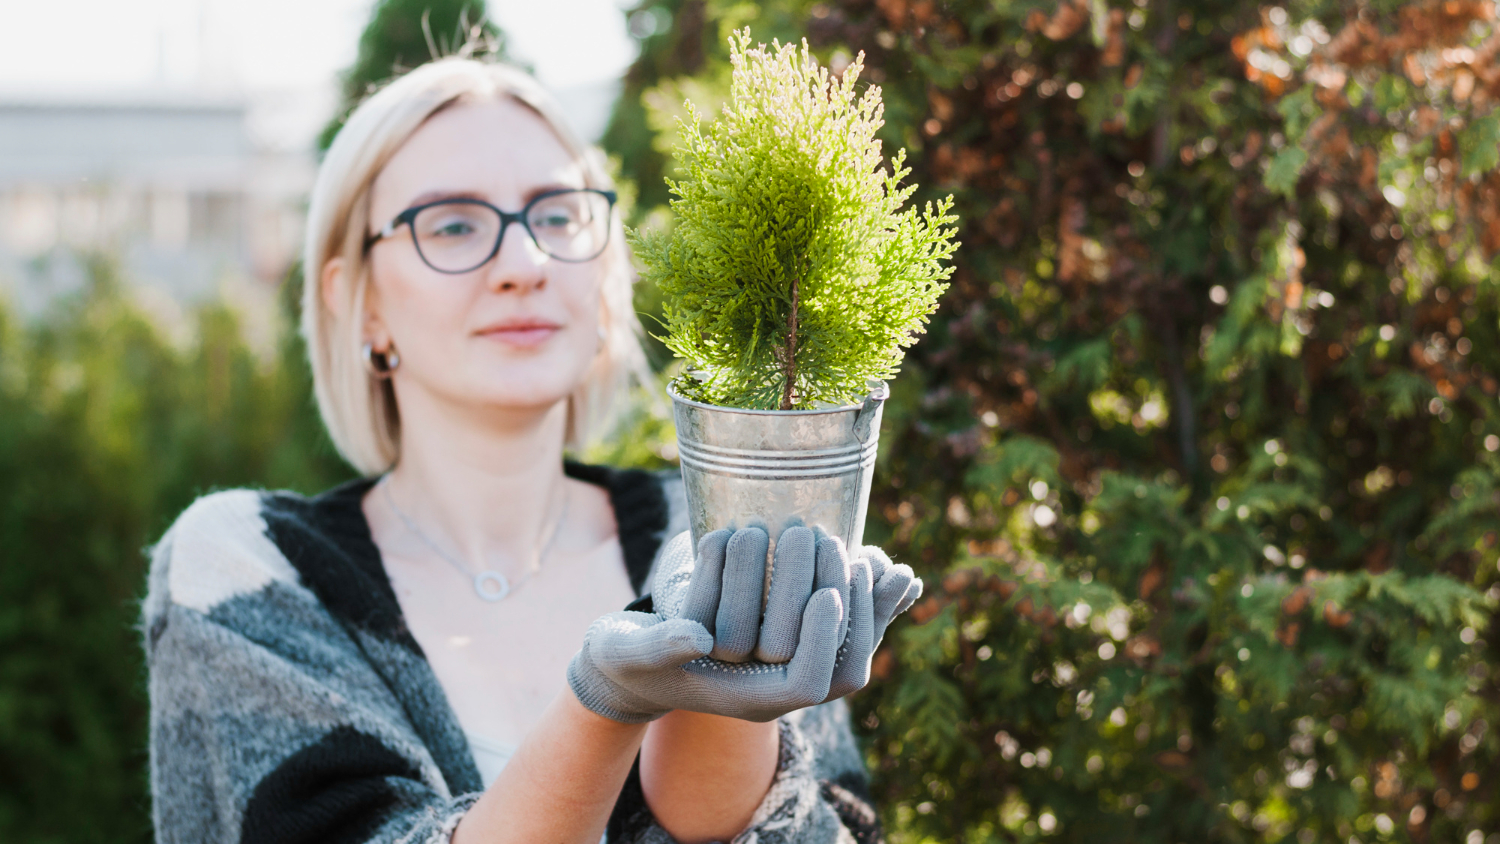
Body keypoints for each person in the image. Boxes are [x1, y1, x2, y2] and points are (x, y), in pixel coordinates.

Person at [142, 56, 920, 844]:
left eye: (556, 216)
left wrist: (724, 703)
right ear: (358, 301)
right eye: (451, 224)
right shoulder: (249, 570)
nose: (525, 264)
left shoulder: (708, 537)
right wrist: (603, 707)